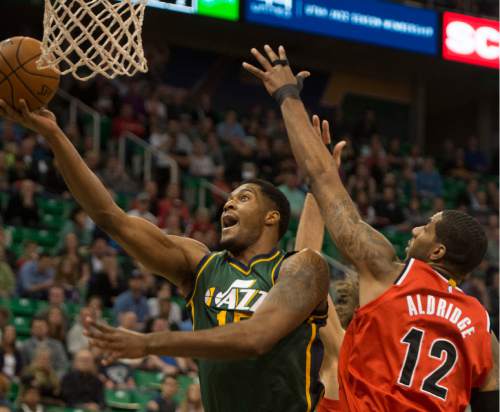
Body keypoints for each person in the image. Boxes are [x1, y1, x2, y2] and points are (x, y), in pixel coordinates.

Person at [0, 99, 330, 412]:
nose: (228, 204)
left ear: (272, 217)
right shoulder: (200, 266)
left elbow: (256, 337)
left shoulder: (300, 267)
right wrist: (55, 136)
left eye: (243, 198)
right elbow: (110, 217)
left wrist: (150, 343)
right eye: (227, 199)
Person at [243, 44, 498, 411]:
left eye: (426, 228)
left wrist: (287, 96)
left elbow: (320, 191)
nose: (414, 231)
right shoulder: (481, 326)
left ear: (438, 251)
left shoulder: (388, 273)